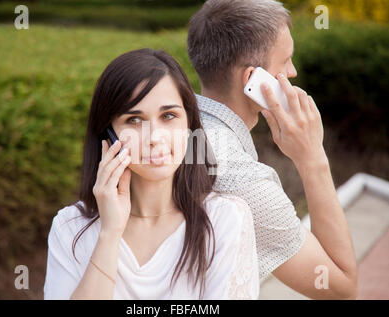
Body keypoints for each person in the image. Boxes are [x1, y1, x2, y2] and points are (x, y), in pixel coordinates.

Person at [43, 48, 259, 299]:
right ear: (109, 134)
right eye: (134, 120)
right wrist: (110, 233)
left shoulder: (224, 218)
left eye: (168, 116)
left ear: (188, 124)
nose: (154, 137)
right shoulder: (70, 227)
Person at [187, 0, 358, 299]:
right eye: (286, 61)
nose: (292, 72)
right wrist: (312, 158)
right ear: (251, 79)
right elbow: (341, 287)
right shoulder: (242, 179)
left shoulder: (170, 126)